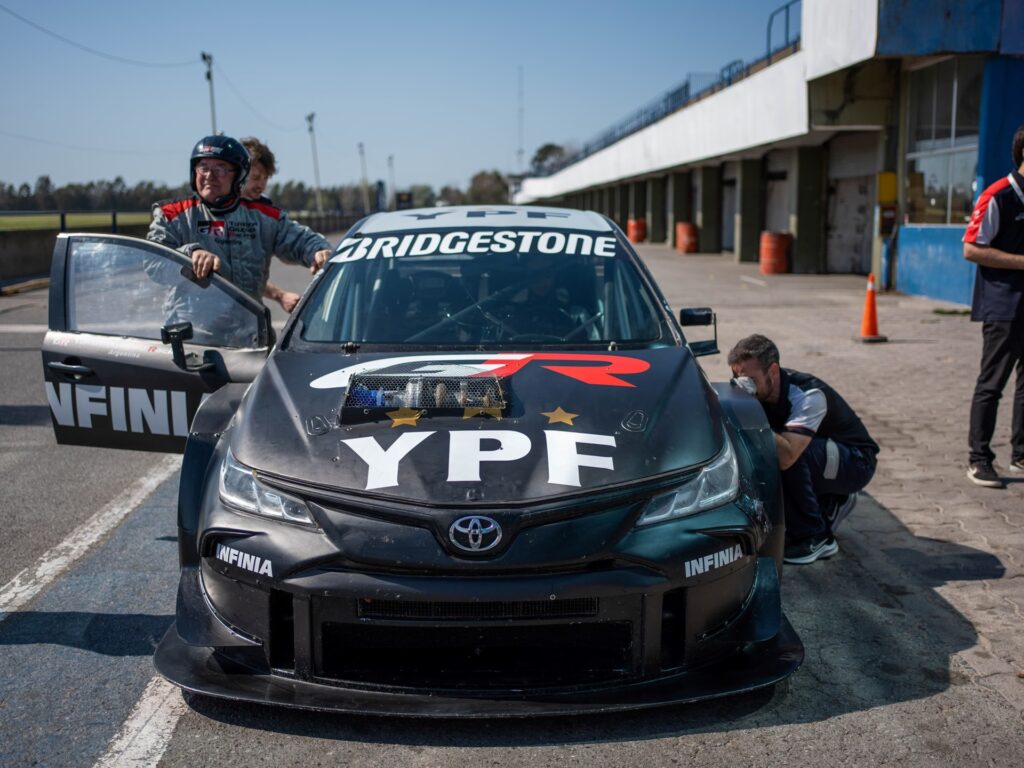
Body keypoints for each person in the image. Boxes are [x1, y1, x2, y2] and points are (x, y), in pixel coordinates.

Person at [727, 334, 879, 565]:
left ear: (773, 371)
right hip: (826, 456)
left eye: (749, 378)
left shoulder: (808, 395)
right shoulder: (762, 393)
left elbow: (788, 457)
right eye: (737, 377)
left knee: (790, 453)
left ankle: (815, 537)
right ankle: (829, 501)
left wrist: (749, 415)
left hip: (856, 462)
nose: (743, 384)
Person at [147, 135, 331, 314]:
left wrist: (318, 251)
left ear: (239, 175)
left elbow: (300, 239)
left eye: (220, 169)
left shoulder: (264, 217)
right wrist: (189, 254)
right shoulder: (173, 214)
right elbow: (152, 261)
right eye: (203, 167)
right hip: (191, 336)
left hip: (248, 331)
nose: (210, 176)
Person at [962, 124, 1024, 489]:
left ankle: (1021, 453)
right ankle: (979, 459)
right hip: (1004, 307)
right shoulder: (998, 194)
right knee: (992, 384)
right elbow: (971, 248)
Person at [239, 136, 302, 313]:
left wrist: (317, 250)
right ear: (237, 172)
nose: (262, 185)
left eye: (266, 178)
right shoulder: (209, 211)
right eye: (256, 177)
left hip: (246, 322)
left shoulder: (264, 212)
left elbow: (246, 276)